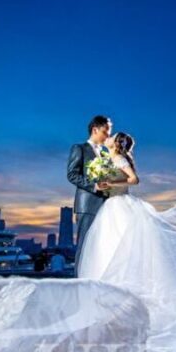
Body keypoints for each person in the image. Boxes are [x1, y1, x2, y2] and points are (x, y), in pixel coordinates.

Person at [75, 131, 176, 330]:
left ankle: (125, 296)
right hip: (110, 206)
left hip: (120, 206)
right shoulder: (106, 159)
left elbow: (134, 179)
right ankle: (108, 302)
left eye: (112, 137)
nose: (108, 137)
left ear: (116, 143)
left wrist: (112, 183)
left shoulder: (119, 158)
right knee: (107, 247)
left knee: (123, 246)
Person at [67, 115, 113, 277]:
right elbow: (71, 174)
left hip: (106, 206)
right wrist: (94, 185)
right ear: (95, 129)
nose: (108, 135)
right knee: (84, 246)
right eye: (105, 131)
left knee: (101, 247)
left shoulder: (106, 154)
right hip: (87, 205)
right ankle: (79, 283)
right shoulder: (79, 148)